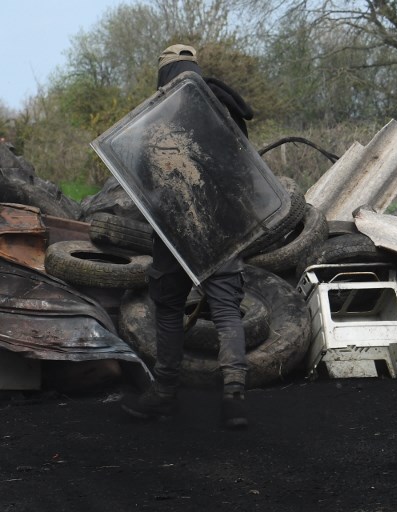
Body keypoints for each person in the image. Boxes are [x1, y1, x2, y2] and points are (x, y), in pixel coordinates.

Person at [121, 44, 253, 428]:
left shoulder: (156, 119)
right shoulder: (224, 108)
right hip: (221, 224)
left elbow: (145, 178)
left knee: (169, 307)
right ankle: (234, 399)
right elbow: (243, 169)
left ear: (163, 76)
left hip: (176, 226)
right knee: (226, 309)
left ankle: (164, 394)